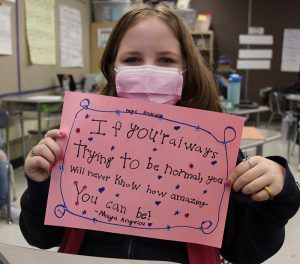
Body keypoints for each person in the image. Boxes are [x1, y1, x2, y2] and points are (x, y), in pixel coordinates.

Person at [20, 3, 300, 264]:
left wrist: (279, 190)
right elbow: (41, 237)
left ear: (185, 70)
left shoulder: (213, 148)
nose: (149, 70)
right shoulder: (78, 138)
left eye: (166, 60)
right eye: (132, 59)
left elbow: (246, 250)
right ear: (111, 68)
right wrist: (40, 185)